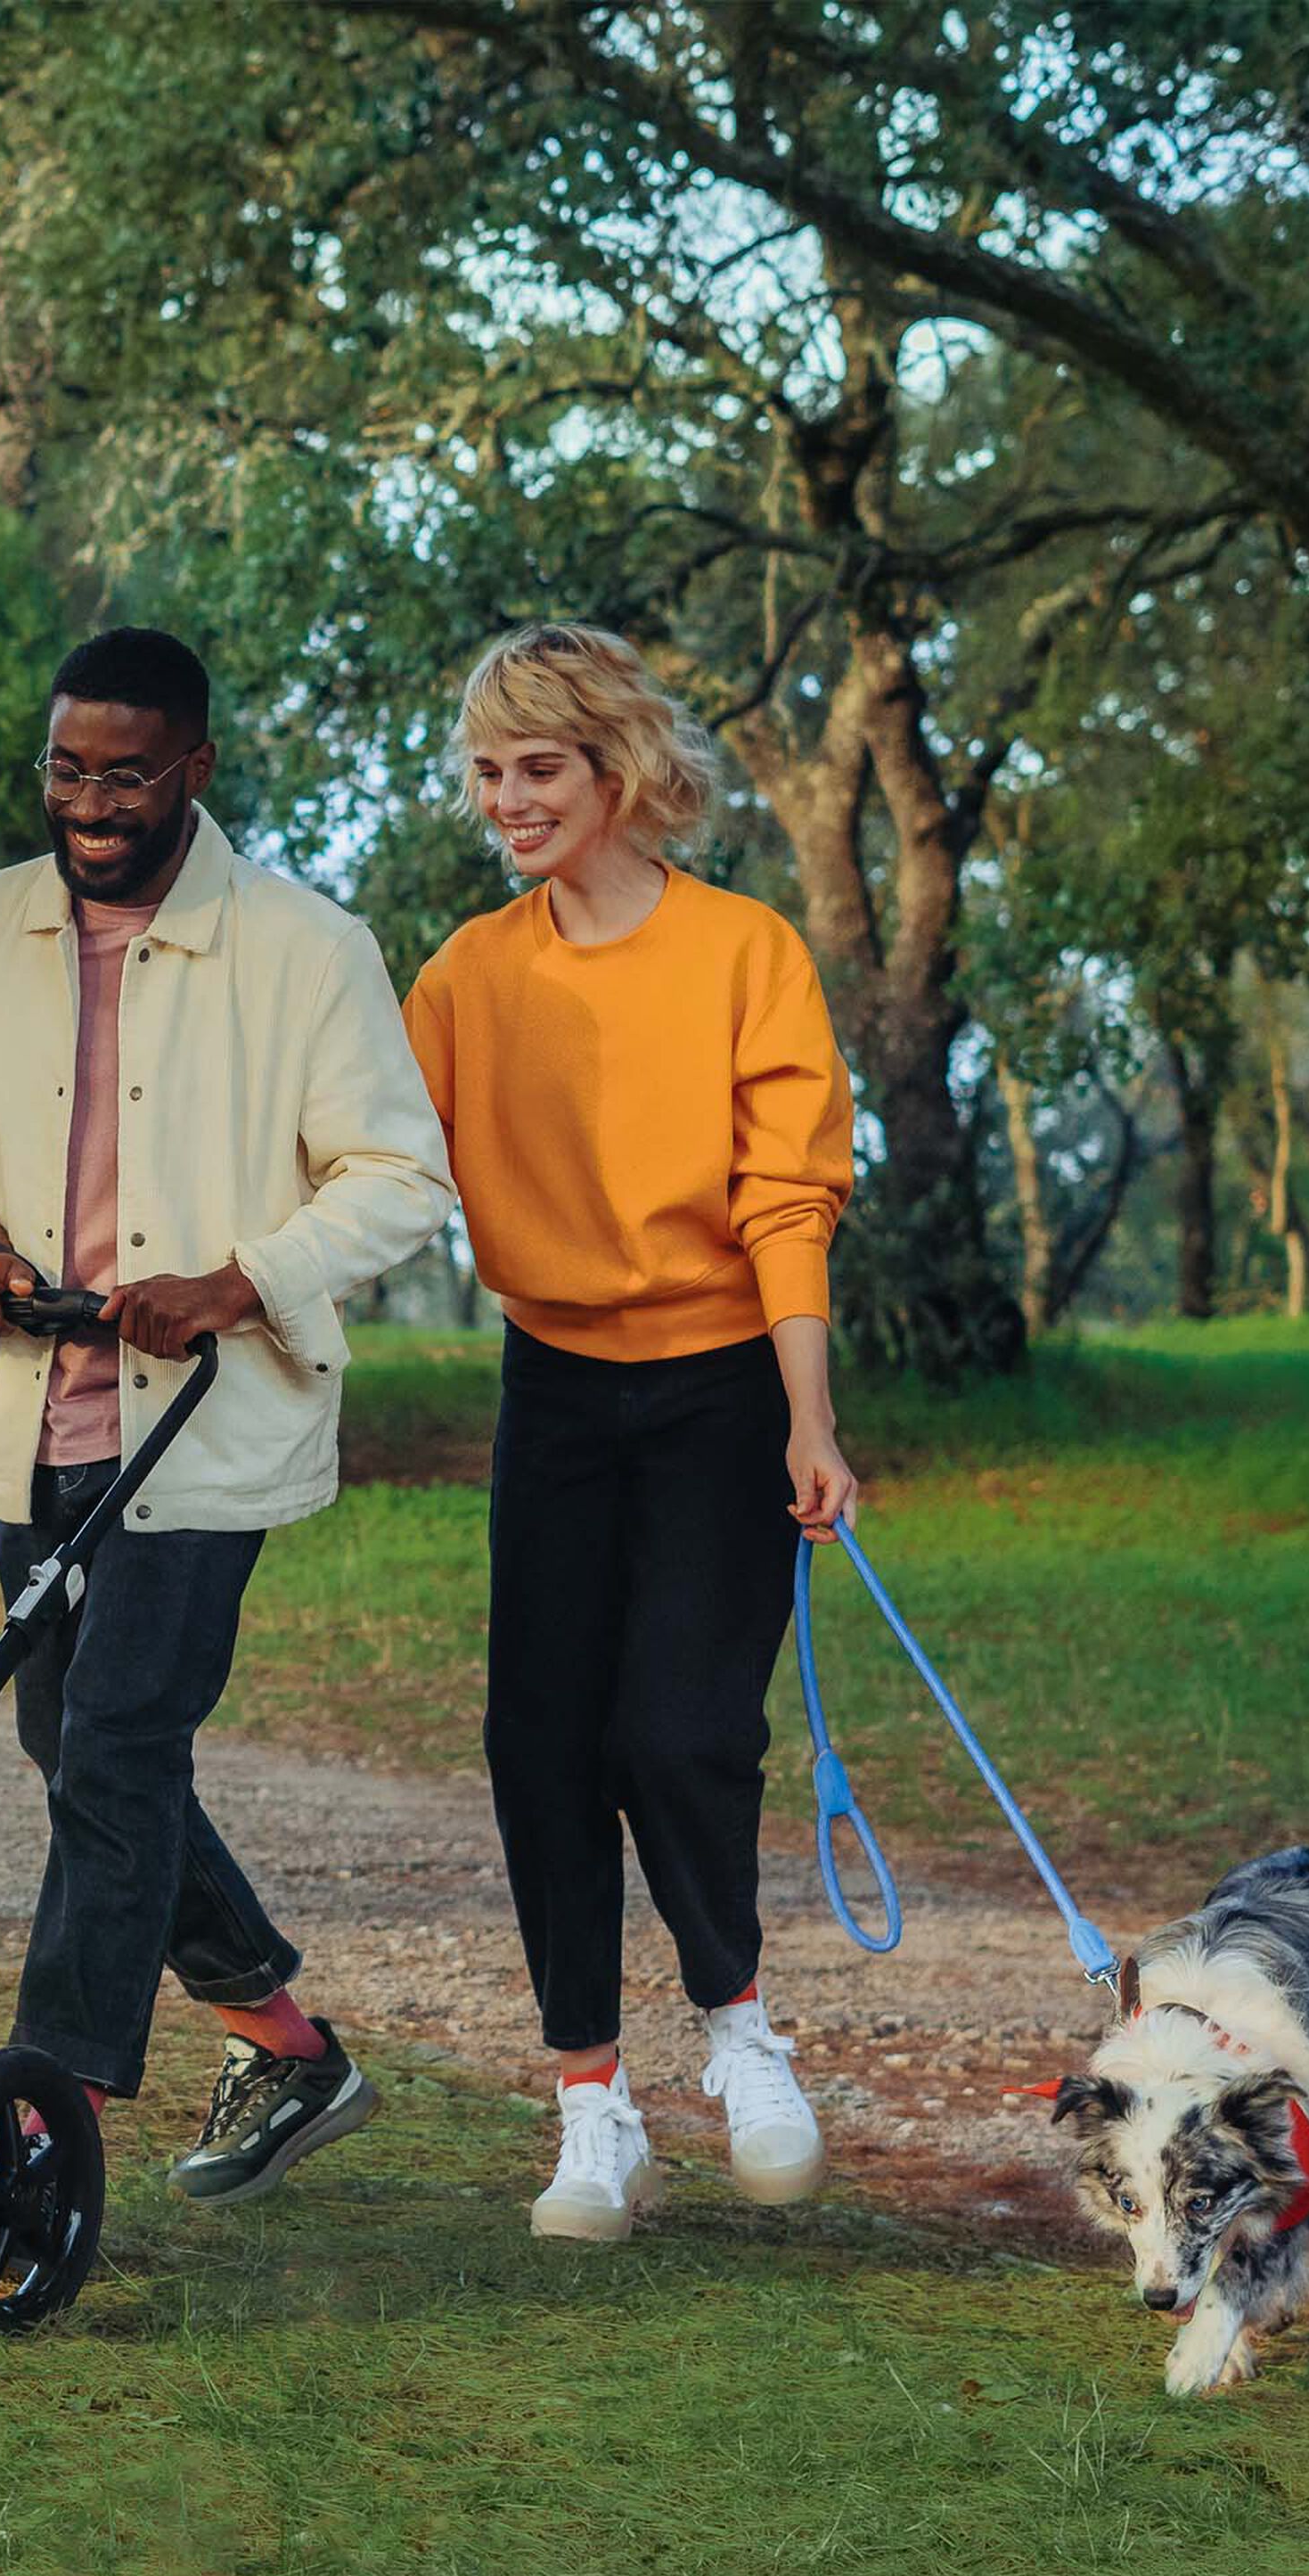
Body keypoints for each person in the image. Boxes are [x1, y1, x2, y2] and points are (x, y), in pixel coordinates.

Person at [0, 626, 454, 2200]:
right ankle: (287, 2045)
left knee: (121, 1739)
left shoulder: (302, 946)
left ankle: (42, 2119)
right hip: (35, 1407)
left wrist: (239, 1279)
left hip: (206, 1426)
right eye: (67, 767)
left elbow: (401, 1177)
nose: (90, 800)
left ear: (197, 771)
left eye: (127, 772)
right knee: (64, 1735)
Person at [402, 622, 858, 2242]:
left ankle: (740, 2035)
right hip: (556, 1395)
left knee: (680, 1730)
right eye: (487, 775)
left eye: (537, 770)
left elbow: (787, 1199)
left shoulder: (745, 953)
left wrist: (810, 1417)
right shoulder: (466, 977)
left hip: (726, 1382)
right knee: (539, 1744)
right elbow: (378, 1166)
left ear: (618, 772)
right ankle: (593, 2108)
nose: (507, 802)